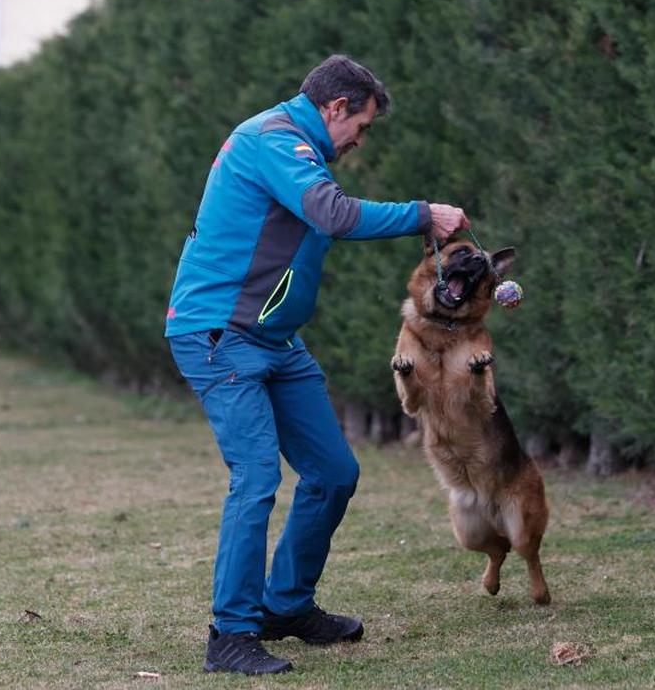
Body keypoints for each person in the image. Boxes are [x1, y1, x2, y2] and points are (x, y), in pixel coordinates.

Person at [165, 55, 468, 675]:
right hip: (219, 335)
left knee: (333, 472)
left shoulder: (294, 148)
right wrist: (422, 214)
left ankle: (285, 606)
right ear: (335, 109)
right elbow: (333, 214)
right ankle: (231, 634)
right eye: (362, 125)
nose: (360, 140)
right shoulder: (274, 140)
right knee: (254, 478)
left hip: (274, 340)